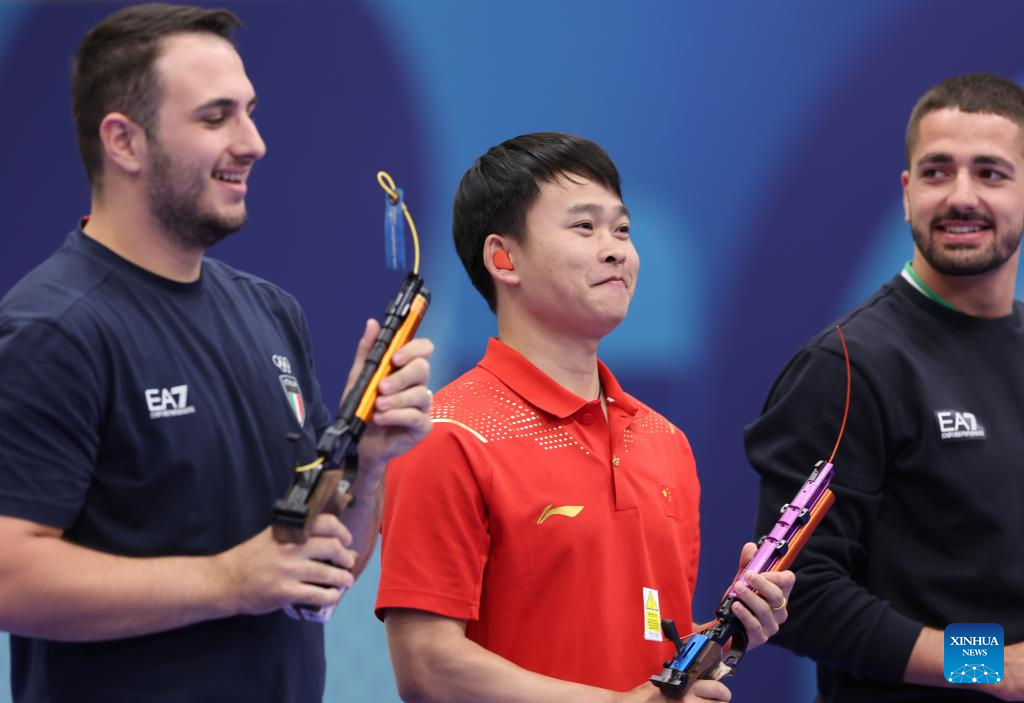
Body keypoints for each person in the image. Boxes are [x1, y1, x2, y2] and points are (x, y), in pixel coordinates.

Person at [0, 4, 432, 702]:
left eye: (251, 111)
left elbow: (320, 567)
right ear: (125, 141)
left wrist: (367, 458)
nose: (254, 141)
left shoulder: (270, 313)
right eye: (215, 117)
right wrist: (229, 580)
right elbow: (7, 575)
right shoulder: (57, 327)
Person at [375, 132, 793, 702]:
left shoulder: (665, 441)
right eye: (584, 227)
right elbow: (425, 665)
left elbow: (645, 653)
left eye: (622, 229)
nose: (617, 248)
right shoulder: (447, 434)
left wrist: (725, 639)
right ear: (503, 258)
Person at [745, 73, 1024, 702]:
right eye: (936, 172)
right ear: (906, 194)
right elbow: (800, 593)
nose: (961, 196)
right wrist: (989, 664)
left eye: (991, 173)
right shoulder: (846, 365)